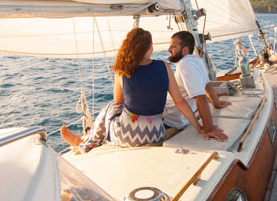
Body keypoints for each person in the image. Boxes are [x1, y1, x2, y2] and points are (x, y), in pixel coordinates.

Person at [60, 28, 204, 153]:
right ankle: (87, 139)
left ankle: (85, 140)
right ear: (149, 48)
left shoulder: (121, 70)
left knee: (112, 106)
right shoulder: (164, 66)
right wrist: (199, 127)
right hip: (156, 133)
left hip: (126, 135)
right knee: (118, 111)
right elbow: (180, 102)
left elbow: (118, 101)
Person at [163, 31, 230, 141]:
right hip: (182, 118)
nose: (169, 49)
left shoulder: (185, 65)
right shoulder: (196, 60)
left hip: (171, 121)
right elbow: (207, 86)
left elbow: (201, 97)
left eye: (173, 46)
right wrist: (216, 103)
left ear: (185, 50)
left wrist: (209, 129)